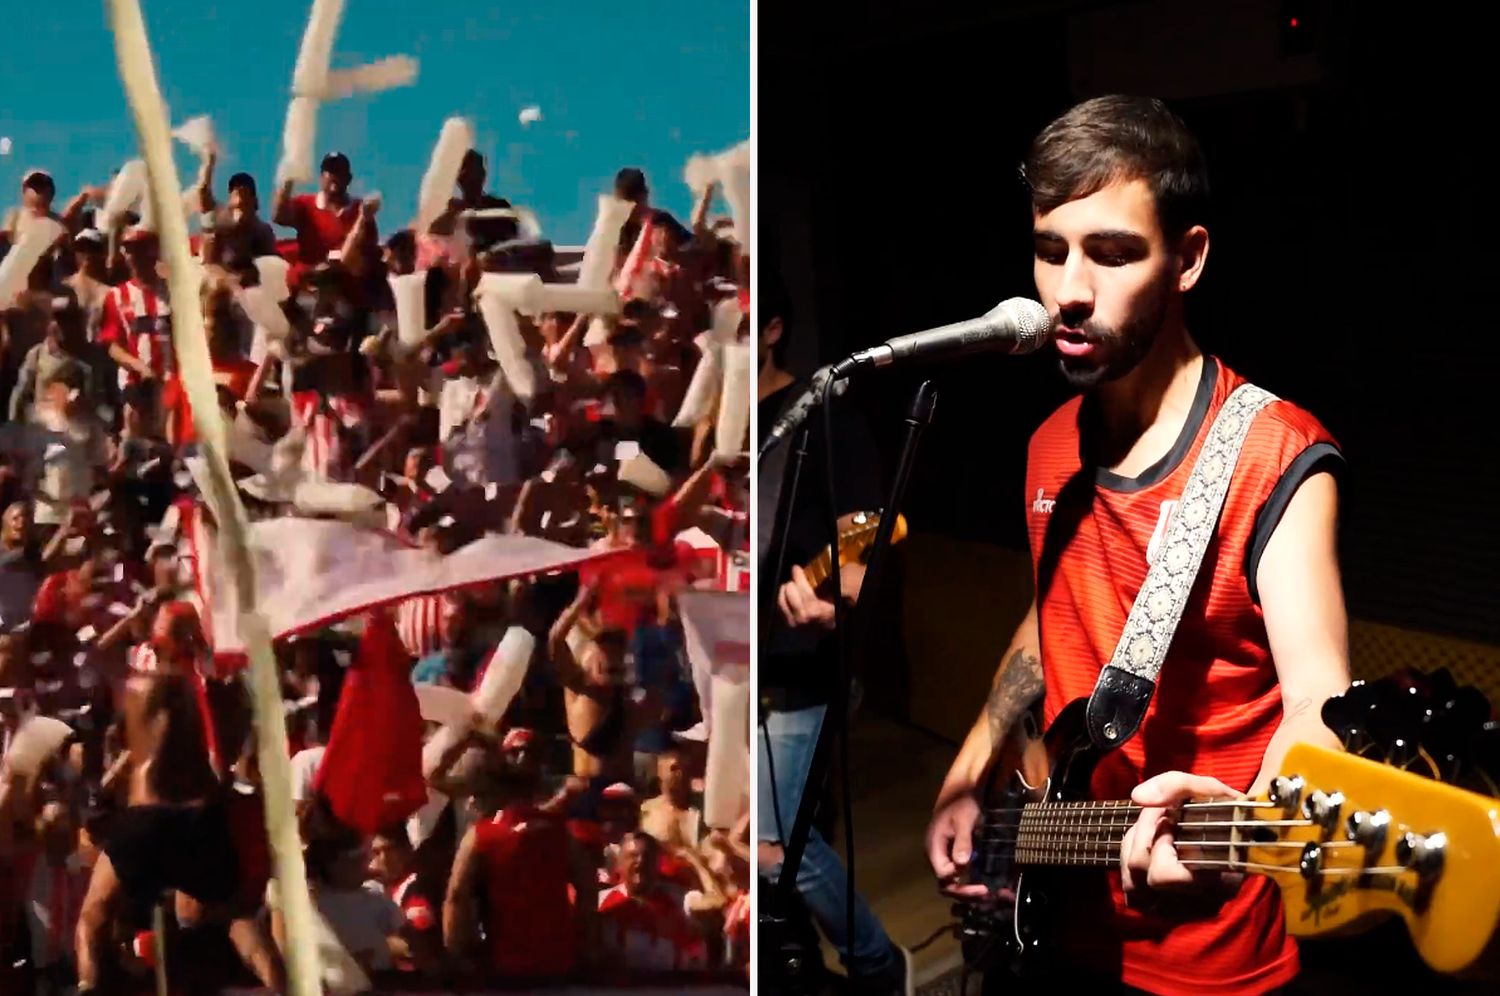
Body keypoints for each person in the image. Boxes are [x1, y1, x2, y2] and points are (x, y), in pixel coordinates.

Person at [922, 95, 1352, 995]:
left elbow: (1320, 702)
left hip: (1205, 948)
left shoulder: (1274, 455)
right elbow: (1054, 623)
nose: (1070, 291)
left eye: (1114, 254)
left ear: (1188, 259)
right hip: (1055, 909)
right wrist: (972, 769)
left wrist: (1245, 829)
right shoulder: (1049, 441)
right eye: (1050, 251)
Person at [761, 271, 910, 994]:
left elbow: (868, 531)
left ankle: (878, 967)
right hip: (726, 671)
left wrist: (835, 604)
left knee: (774, 843)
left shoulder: (819, 415)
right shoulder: (710, 428)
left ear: (772, 328)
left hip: (798, 669)